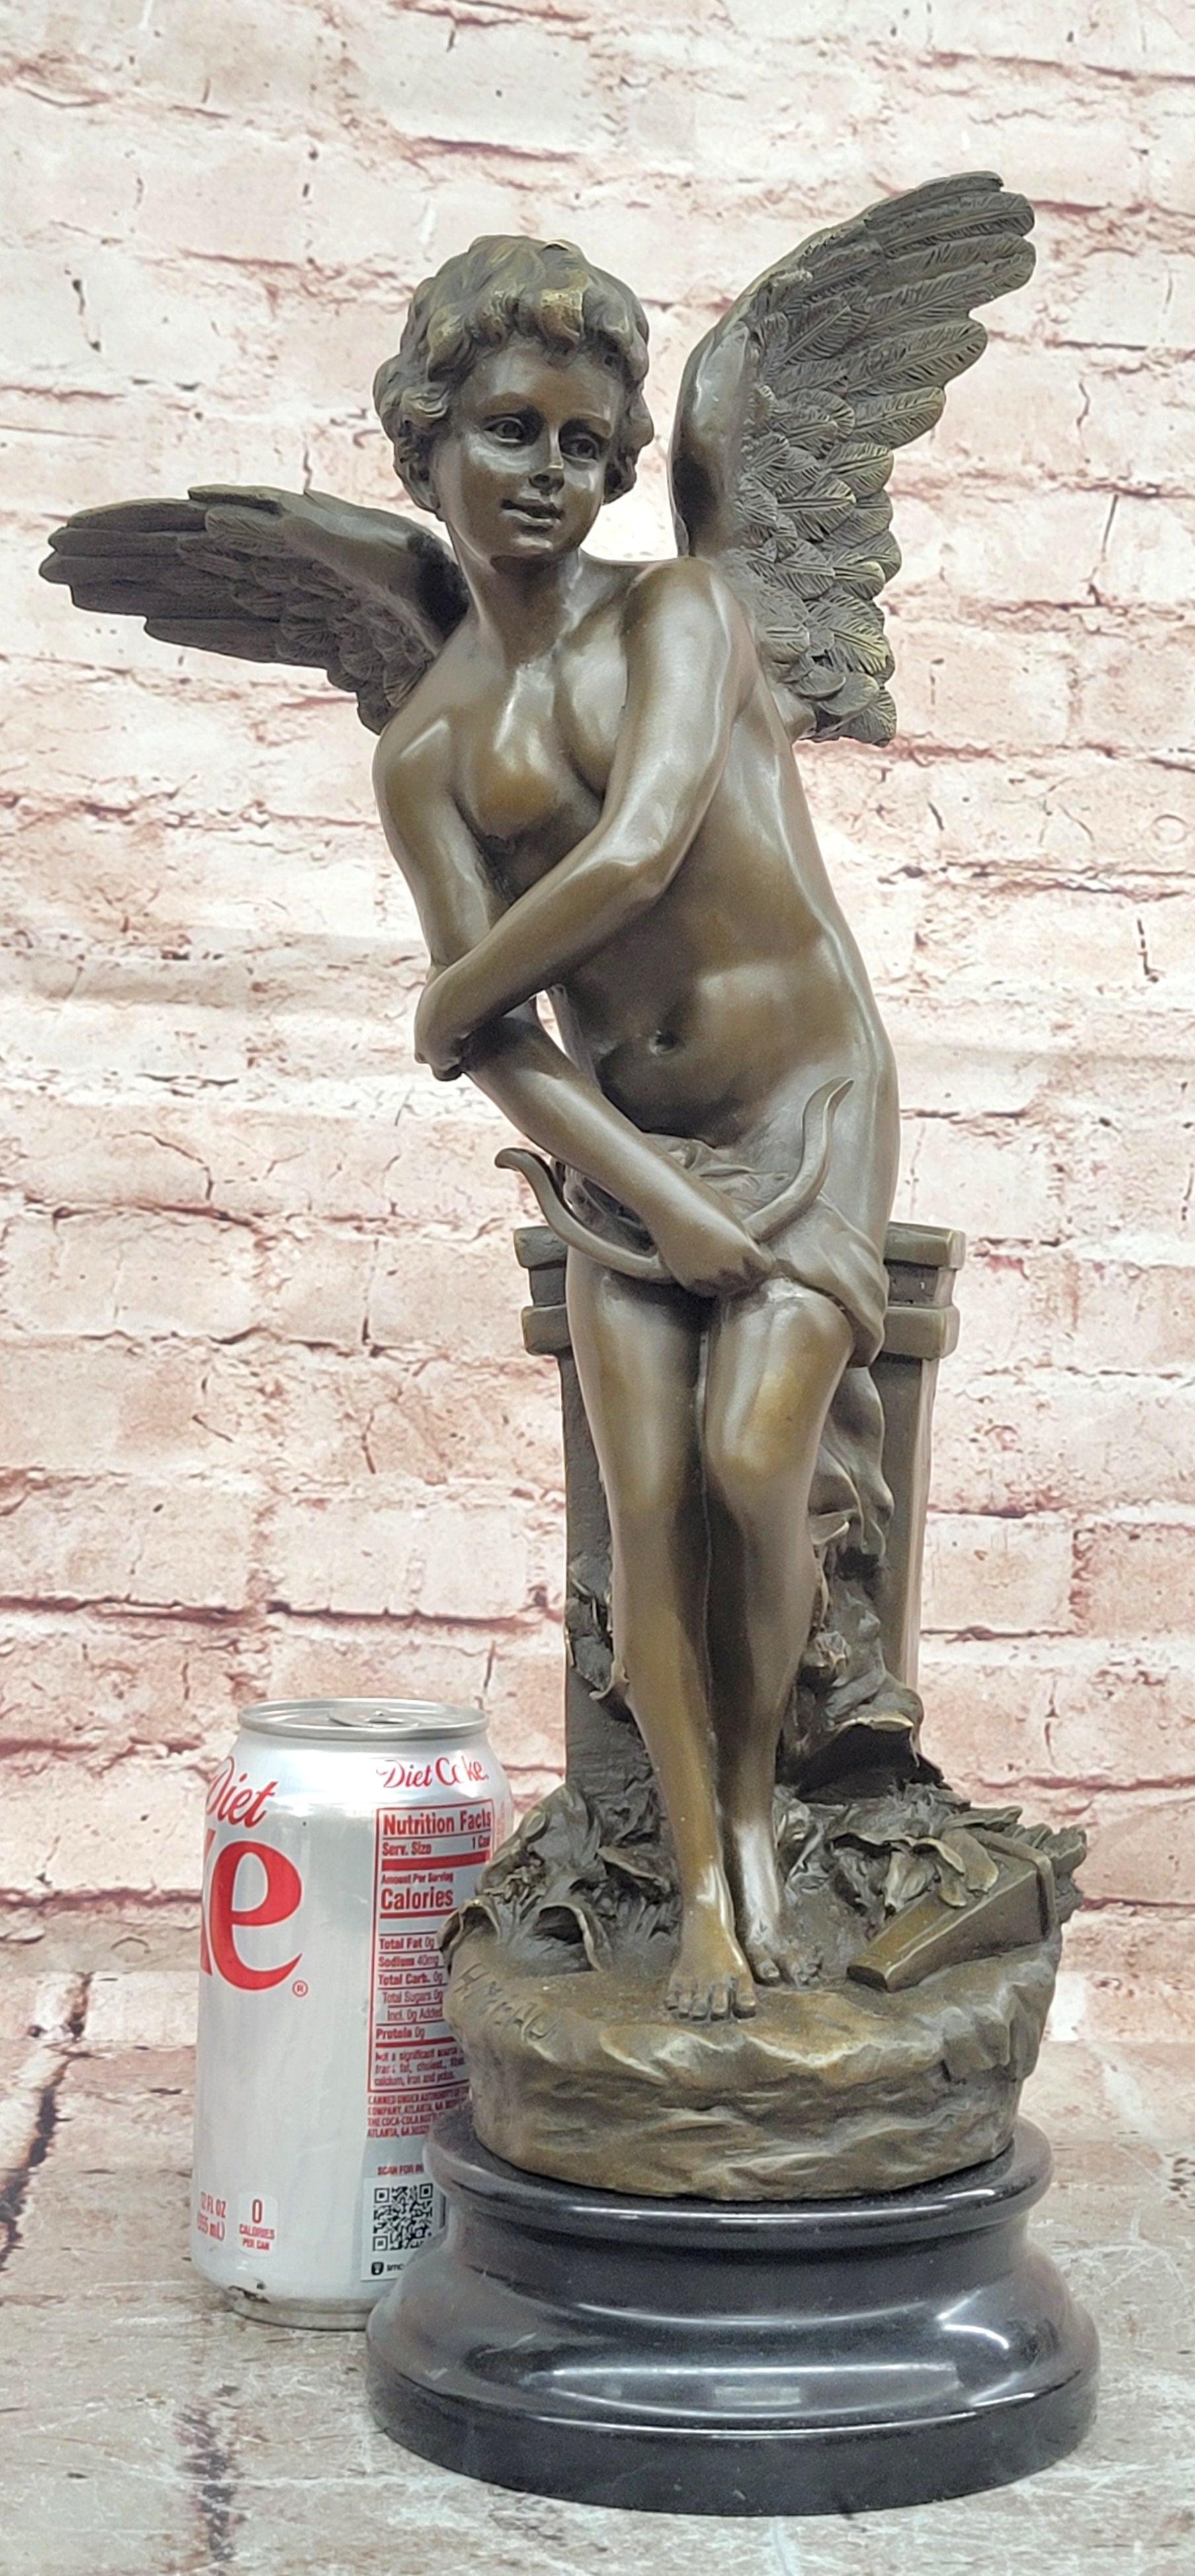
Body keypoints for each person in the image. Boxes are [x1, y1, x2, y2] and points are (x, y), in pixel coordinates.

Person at [370, 237, 899, 2022]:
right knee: (647, 1503)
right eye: (508, 429)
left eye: (588, 445)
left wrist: (448, 999)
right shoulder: (429, 752)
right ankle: (699, 1880)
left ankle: (763, 1817)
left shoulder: (681, 614)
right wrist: (652, 1193)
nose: (550, 472)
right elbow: (517, 1054)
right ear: (425, 440)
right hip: (623, 1150)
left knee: (754, 1462)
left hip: (807, 1095)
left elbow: (645, 844)